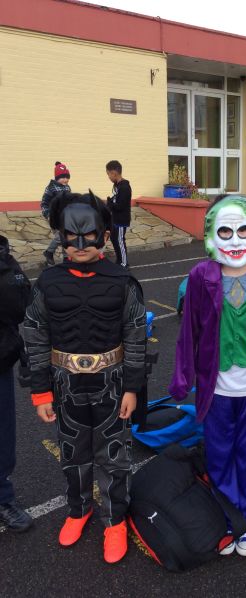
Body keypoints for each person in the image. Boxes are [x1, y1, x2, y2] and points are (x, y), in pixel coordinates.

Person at [24, 191, 146, 563]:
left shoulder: (122, 281)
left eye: (88, 235)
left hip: (112, 386)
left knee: (114, 456)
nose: (80, 245)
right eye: (71, 236)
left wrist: (133, 388)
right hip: (66, 387)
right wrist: (41, 393)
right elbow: (35, 335)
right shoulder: (47, 283)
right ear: (60, 235)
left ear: (105, 236)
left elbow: (136, 336)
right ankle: (78, 510)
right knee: (73, 454)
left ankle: (114, 520)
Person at [169, 195, 246, 556]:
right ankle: (226, 516)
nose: (235, 240)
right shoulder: (199, 276)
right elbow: (188, 332)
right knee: (219, 455)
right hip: (216, 387)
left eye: (243, 230)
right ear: (211, 234)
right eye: (225, 231)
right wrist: (182, 377)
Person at [0, 235, 33, 532]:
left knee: (2, 435)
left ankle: (2, 497)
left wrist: (4, 264)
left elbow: (21, 307)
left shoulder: (4, 259)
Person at [41, 161, 71, 266]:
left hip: (65, 217)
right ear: (57, 177)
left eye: (67, 177)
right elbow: (44, 203)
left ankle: (66, 259)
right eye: (63, 177)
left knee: (66, 237)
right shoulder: (51, 188)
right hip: (54, 217)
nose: (65, 179)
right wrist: (48, 214)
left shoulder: (67, 187)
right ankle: (49, 252)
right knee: (59, 236)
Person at [106, 160, 132, 269]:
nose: (108, 177)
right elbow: (116, 200)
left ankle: (124, 263)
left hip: (121, 219)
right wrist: (110, 201)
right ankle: (119, 260)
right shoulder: (117, 185)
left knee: (120, 240)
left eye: (108, 174)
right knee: (114, 239)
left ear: (114, 173)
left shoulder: (124, 187)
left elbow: (120, 206)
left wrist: (110, 204)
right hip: (115, 218)